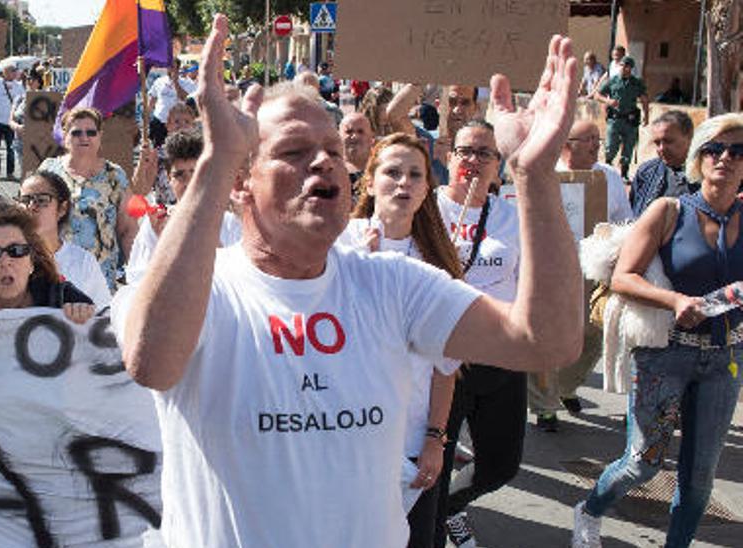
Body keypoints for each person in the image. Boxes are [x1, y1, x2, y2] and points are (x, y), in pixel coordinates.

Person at [115, 13, 583, 546]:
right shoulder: (198, 287)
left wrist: (534, 174)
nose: (324, 163)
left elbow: (547, 339)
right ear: (242, 184)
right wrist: (218, 158)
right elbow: (151, 362)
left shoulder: (394, 284)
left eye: (334, 151)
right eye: (294, 151)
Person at [573, 114, 743, 548]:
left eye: (738, 152)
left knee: (700, 475)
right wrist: (675, 301)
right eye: (715, 149)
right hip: (665, 352)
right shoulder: (669, 210)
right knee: (642, 463)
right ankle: (590, 509)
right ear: (698, 157)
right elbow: (624, 277)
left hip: (724, 359)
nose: (726, 158)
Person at [339, 133, 464, 548]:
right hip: (342, 437)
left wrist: (434, 439)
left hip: (408, 443)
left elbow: (445, 366)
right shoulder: (338, 245)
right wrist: (360, 271)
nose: (403, 183)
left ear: (427, 188)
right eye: (392, 172)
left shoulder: (435, 263)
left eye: (415, 174)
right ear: (370, 181)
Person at [432, 121, 528, 548]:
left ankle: (453, 506)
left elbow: (528, 287)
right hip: (440, 360)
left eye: (484, 153)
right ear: (449, 157)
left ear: (498, 165)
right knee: (432, 465)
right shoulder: (427, 210)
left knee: (500, 466)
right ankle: (432, 525)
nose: (473, 161)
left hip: (499, 355)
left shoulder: (513, 218)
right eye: (465, 151)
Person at [529, 120, 636, 431]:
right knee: (545, 337)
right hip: (549, 269)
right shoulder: (544, 173)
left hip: (593, 268)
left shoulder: (610, 177)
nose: (595, 144)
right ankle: (544, 405)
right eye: (587, 139)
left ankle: (566, 386)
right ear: (566, 145)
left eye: (597, 138)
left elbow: (624, 221)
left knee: (592, 333)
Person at [39, 107, 153, 289]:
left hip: (101, 278)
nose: (84, 137)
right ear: (65, 136)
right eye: (76, 132)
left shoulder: (115, 175)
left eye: (91, 132)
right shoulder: (48, 171)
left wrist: (138, 277)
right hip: (56, 275)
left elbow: (128, 229)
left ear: (100, 136)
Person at [0, 202, 95, 323]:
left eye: (16, 250)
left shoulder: (63, 298)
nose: (5, 262)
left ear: (32, 260)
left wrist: (85, 319)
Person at [127, 129, 241, 282]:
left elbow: (239, 281)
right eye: (179, 175)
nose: (188, 182)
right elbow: (136, 281)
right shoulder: (156, 223)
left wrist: (207, 237)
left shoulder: (230, 224)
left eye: (195, 173)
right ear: (169, 178)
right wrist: (164, 244)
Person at [17, 171, 111, 307]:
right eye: (25, 200)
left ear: (62, 208)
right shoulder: (8, 257)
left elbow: (102, 315)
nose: (31, 206)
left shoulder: (83, 262)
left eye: (42, 200)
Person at [631, 110, 696, 216]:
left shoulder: (705, 175)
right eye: (657, 143)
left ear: (689, 136)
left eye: (668, 141)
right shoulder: (646, 172)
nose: (661, 148)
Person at [594, 56, 649, 179]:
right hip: (615, 119)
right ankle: (607, 169)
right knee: (610, 147)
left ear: (631, 68)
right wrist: (608, 101)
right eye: (622, 66)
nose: (624, 68)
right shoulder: (613, 80)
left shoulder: (636, 83)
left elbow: (644, 99)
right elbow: (597, 95)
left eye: (627, 66)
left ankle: (624, 173)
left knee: (628, 147)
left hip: (630, 120)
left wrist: (647, 116)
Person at [0, 62, 26, 181]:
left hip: (11, 122)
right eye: (12, 70)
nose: (15, 73)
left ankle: (10, 172)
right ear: (5, 72)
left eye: (15, 70)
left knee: (11, 149)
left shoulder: (19, 86)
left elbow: (23, 102)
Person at [148, 61, 197, 148]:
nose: (171, 70)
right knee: (156, 147)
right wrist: (147, 114)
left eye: (173, 67)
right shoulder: (159, 81)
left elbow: (184, 98)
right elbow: (153, 99)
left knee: (175, 148)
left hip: (177, 123)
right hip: (159, 120)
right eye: (169, 67)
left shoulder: (187, 83)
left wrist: (175, 82)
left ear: (178, 69)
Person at [340, 112, 374, 185]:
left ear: (371, 138)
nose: (355, 136)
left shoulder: (379, 170)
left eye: (360, 132)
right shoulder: (330, 170)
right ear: (339, 137)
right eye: (349, 132)